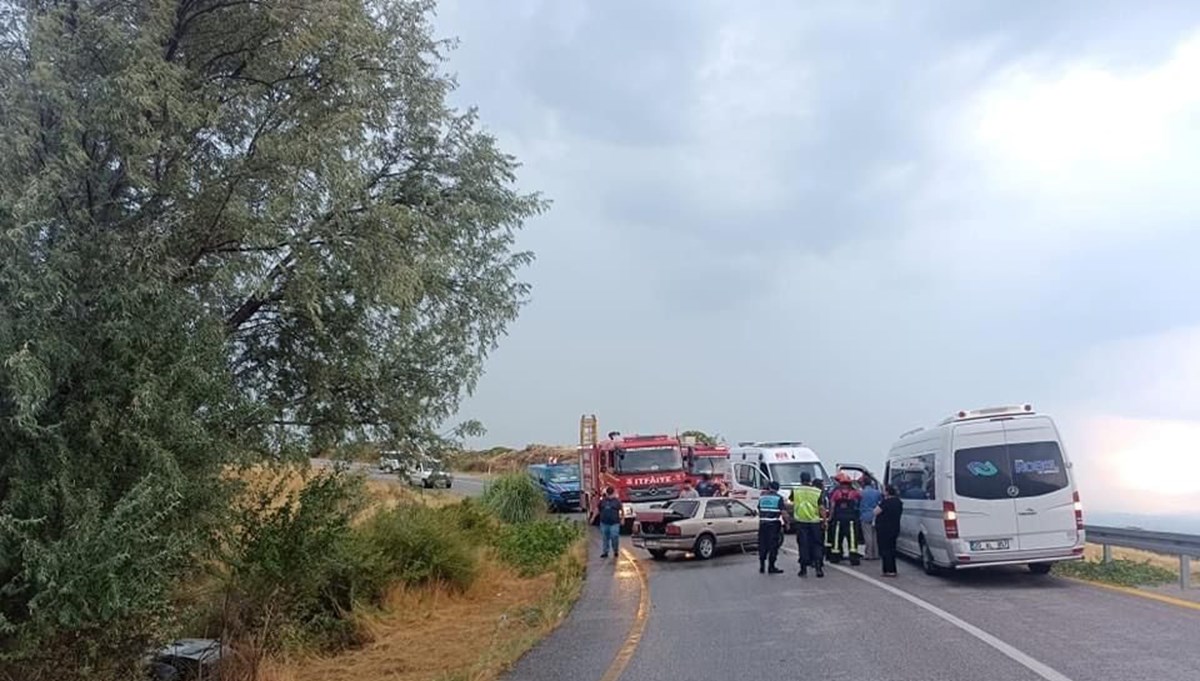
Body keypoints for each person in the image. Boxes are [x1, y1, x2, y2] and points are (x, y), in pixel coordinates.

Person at [791, 473, 825, 578]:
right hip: (814, 521)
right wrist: (824, 521)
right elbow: (821, 508)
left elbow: (791, 501)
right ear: (810, 480)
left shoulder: (795, 491)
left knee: (803, 545)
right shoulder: (817, 491)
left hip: (801, 521)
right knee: (817, 544)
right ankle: (818, 569)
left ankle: (803, 569)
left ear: (801, 479)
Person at [826, 473, 863, 566]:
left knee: (836, 539)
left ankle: (835, 557)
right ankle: (853, 558)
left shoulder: (836, 493)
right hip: (851, 519)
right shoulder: (853, 493)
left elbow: (832, 506)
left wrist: (830, 517)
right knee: (852, 540)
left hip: (838, 519)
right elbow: (860, 497)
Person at [756, 481, 786, 574]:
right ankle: (771, 567)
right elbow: (783, 512)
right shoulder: (778, 498)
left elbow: (759, 508)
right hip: (773, 524)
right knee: (773, 546)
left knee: (762, 545)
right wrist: (787, 523)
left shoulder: (762, 497)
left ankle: (762, 565)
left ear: (769, 487)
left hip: (762, 524)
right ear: (778, 488)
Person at [874, 485, 904, 577]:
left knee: (885, 550)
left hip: (884, 529)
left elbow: (876, 512)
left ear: (887, 492)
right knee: (892, 549)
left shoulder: (885, 502)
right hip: (895, 528)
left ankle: (887, 570)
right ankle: (893, 569)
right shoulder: (898, 502)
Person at [595, 486, 623, 560]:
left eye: (611, 494)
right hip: (604, 523)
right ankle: (605, 552)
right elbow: (597, 509)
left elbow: (621, 509)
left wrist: (623, 518)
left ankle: (615, 550)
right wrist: (593, 518)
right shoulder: (602, 501)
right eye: (609, 494)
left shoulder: (617, 501)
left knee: (614, 536)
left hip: (614, 523)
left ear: (613, 493)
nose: (610, 496)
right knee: (605, 538)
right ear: (607, 493)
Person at [859, 475, 883, 561]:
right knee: (875, 535)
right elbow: (881, 502)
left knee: (867, 536)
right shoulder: (877, 492)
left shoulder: (861, 493)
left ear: (863, 483)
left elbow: (857, 504)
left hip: (865, 515)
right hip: (875, 515)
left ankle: (869, 554)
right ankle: (876, 553)